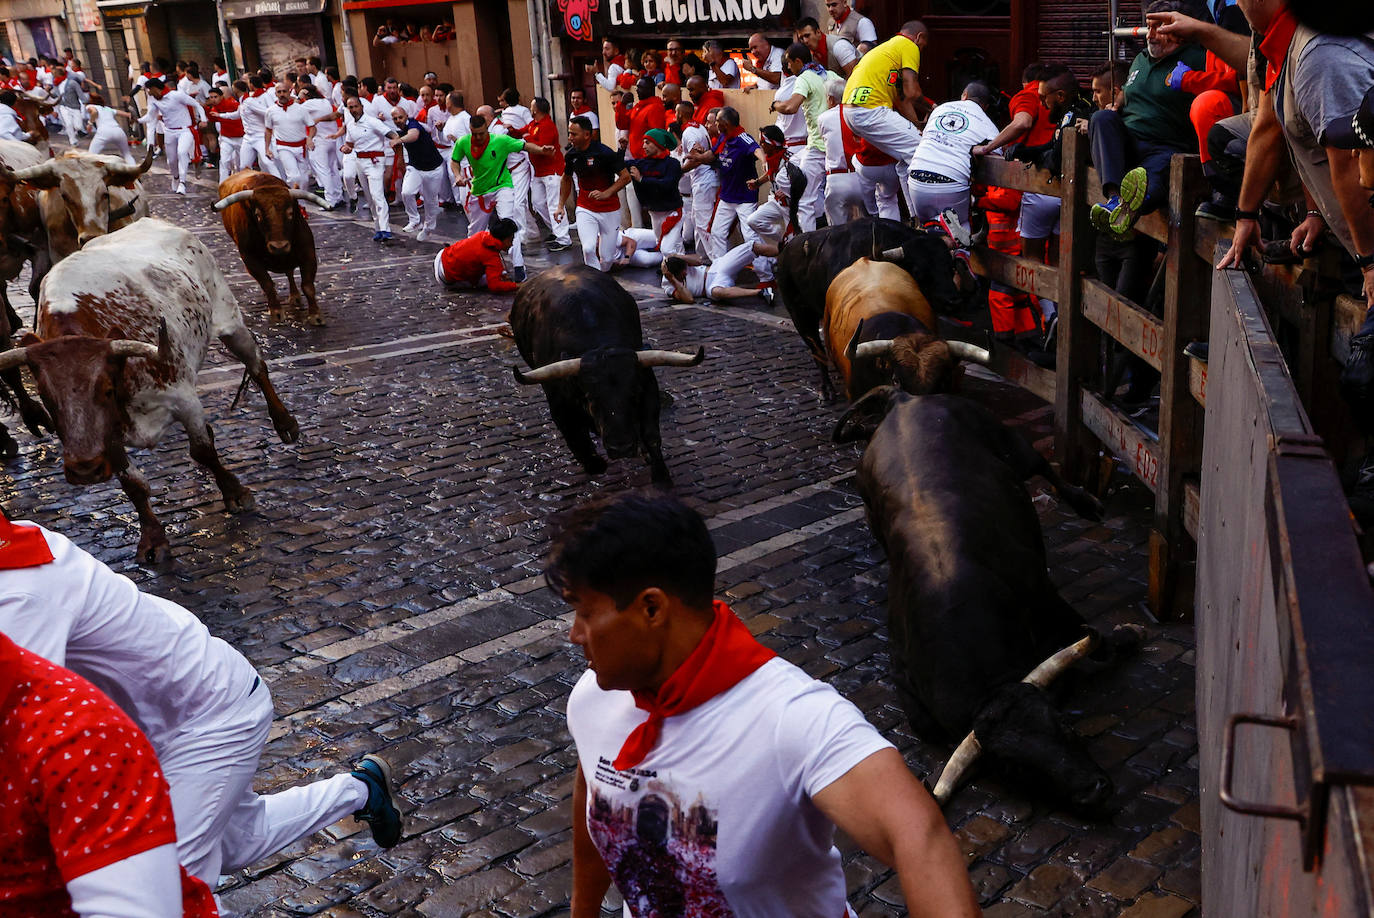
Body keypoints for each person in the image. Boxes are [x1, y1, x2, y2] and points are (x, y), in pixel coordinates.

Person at [552, 492, 981, 918]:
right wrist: (582, 911)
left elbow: (919, 837)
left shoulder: (793, 718)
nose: (575, 635)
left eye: (584, 613)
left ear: (651, 608)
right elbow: (596, 797)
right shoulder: (593, 697)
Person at [0, 515, 403, 890]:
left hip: (210, 714)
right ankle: (361, 790)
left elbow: (21, 732)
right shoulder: (18, 547)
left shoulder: (20, 595)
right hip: (166, 714)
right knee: (237, 845)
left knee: (168, 885)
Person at [0, 631, 218, 917]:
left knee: (207, 852)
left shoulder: (78, 737)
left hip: (209, 712)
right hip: (147, 729)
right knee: (239, 842)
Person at [1087, 1, 1205, 237]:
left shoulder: (1197, 58)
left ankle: (1129, 210)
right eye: (1148, 27)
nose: (1149, 35)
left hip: (1166, 146)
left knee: (1151, 183)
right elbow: (1130, 89)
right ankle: (1114, 199)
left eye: (1158, 28)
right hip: (1130, 140)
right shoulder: (1141, 58)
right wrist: (1116, 104)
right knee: (1101, 118)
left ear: (1178, 29)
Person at [841, 21, 932, 215]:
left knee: (907, 156)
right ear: (919, 37)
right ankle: (925, 216)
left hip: (851, 111)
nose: (921, 51)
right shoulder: (908, 45)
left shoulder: (888, 51)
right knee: (922, 152)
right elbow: (912, 92)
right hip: (871, 110)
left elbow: (902, 100)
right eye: (923, 46)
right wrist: (933, 108)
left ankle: (915, 217)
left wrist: (917, 126)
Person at [452, 112, 550, 280]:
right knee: (475, 232)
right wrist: (457, 176)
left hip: (502, 186)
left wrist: (541, 150)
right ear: (470, 130)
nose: (478, 137)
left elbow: (524, 146)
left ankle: (518, 267)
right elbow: (455, 160)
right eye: (475, 134)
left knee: (508, 224)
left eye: (481, 133)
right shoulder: (463, 142)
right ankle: (473, 265)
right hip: (480, 190)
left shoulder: (500, 140)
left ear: (487, 129)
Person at [908, 82, 999, 225]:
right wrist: (978, 149)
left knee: (926, 228)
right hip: (952, 183)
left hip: (917, 178)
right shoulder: (988, 125)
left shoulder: (940, 109)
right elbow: (997, 155)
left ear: (964, 95)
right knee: (960, 228)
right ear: (985, 107)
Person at [691, 105, 767, 259]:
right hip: (727, 196)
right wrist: (698, 157)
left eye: (717, 121)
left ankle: (764, 271)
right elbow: (712, 155)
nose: (715, 124)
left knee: (750, 236)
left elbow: (756, 149)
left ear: (725, 124)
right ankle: (720, 267)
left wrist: (765, 162)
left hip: (745, 197)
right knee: (717, 233)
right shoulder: (723, 138)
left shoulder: (743, 138)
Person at [557, 115, 632, 271]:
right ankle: (594, 279)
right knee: (588, 248)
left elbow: (626, 177)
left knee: (607, 258)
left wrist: (607, 193)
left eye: (574, 134)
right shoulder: (571, 155)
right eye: (569, 133)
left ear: (587, 135)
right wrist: (560, 206)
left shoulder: (605, 153)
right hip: (585, 208)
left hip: (610, 209)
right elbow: (566, 179)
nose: (570, 137)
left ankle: (600, 275)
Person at [770, 42, 829, 232]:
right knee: (831, 198)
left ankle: (808, 242)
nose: (787, 67)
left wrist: (775, 105)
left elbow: (789, 107)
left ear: (798, 61)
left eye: (789, 62)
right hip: (834, 144)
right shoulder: (829, 75)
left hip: (816, 146)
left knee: (805, 200)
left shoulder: (804, 77)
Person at [341, 93, 398, 240]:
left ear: (361, 107)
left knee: (377, 194)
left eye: (355, 106)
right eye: (350, 107)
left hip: (375, 162)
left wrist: (396, 143)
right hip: (360, 162)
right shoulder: (350, 125)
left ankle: (385, 228)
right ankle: (378, 228)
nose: (353, 110)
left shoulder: (373, 122)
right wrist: (346, 148)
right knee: (369, 197)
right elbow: (350, 144)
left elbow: (391, 134)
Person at [137, 77, 206, 194]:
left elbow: (197, 104)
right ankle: (176, 177)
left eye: (149, 90)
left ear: (155, 88)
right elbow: (150, 116)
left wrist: (203, 119)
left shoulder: (176, 95)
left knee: (182, 152)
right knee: (172, 161)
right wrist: (137, 120)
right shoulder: (154, 101)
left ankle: (182, 183)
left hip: (185, 130)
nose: (148, 93)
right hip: (169, 132)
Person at [391, 104, 446, 240]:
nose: (398, 120)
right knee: (407, 192)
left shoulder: (413, 124)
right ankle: (414, 220)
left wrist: (399, 140)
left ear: (406, 116)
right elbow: (398, 145)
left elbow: (414, 135)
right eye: (395, 119)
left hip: (434, 168)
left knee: (430, 201)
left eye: (400, 117)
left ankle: (428, 228)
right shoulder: (397, 130)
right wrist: (400, 159)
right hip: (415, 167)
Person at [628, 127, 685, 255]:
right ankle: (680, 265)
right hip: (654, 212)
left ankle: (681, 264)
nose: (643, 146)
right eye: (643, 142)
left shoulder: (672, 164)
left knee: (667, 248)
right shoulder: (642, 163)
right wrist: (621, 150)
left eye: (647, 142)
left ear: (658, 144)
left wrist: (642, 179)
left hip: (672, 212)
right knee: (666, 245)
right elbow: (617, 163)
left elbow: (667, 184)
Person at [526, 96, 572, 251]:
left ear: (536, 109)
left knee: (554, 204)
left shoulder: (547, 125)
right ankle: (555, 229)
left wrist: (526, 139)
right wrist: (511, 130)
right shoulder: (533, 124)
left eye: (531, 106)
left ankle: (563, 238)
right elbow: (522, 132)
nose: (530, 108)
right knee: (538, 203)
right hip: (539, 172)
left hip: (552, 171)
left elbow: (542, 147)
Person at [662, 242, 771, 304]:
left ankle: (780, 249)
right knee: (716, 292)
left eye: (685, 270)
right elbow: (689, 299)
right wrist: (673, 280)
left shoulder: (679, 263)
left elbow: (699, 260)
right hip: (711, 285)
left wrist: (677, 256)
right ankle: (761, 292)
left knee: (752, 247)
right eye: (682, 274)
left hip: (716, 268)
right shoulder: (669, 285)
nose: (686, 273)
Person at [819, 77, 864, 225]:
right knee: (870, 227)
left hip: (836, 179)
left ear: (831, 99)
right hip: (862, 177)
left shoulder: (823, 118)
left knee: (837, 232)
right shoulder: (860, 113)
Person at [677, 102, 719, 258]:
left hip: (703, 181)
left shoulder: (689, 132)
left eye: (676, 112)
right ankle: (704, 257)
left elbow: (696, 159)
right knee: (697, 220)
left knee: (703, 224)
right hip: (705, 180)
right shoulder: (699, 127)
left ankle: (716, 260)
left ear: (680, 114)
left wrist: (679, 171)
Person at [434, 215, 520, 290]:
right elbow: (495, 286)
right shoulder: (491, 257)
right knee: (488, 281)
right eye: (510, 240)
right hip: (445, 277)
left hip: (442, 256)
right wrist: (517, 286)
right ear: (504, 239)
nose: (511, 244)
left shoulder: (482, 235)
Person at [263, 80, 313, 189]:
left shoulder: (300, 109)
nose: (282, 94)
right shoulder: (270, 111)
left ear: (289, 92)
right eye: (279, 92)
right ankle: (294, 197)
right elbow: (268, 130)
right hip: (283, 147)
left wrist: (310, 138)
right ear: (275, 94)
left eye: (284, 91)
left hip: (301, 147)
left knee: (304, 179)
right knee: (294, 177)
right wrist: (267, 148)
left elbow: (312, 126)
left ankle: (301, 199)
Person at [300, 83, 343, 209]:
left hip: (319, 141)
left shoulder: (309, 103)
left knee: (323, 171)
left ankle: (330, 200)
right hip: (331, 139)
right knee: (333, 169)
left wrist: (298, 97)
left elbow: (294, 110)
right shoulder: (325, 102)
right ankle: (338, 196)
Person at [238, 74, 277, 177]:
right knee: (243, 166)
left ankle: (279, 182)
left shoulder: (264, 96)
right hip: (248, 136)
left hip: (261, 135)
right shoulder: (248, 98)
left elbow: (271, 111)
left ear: (251, 84)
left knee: (268, 162)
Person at [206, 85, 244, 182]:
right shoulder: (214, 108)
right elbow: (212, 117)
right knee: (224, 161)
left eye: (215, 97)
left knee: (241, 163)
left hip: (240, 137)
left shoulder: (233, 103)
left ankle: (241, 182)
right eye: (211, 97)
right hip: (226, 138)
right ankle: (223, 184)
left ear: (221, 96)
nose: (213, 100)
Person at [85, 90, 135, 163]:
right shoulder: (107, 108)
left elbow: (94, 112)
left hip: (104, 132)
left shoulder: (90, 106)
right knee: (127, 154)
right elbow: (128, 114)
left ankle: (90, 169)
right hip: (118, 131)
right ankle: (134, 168)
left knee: (91, 156)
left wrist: (90, 124)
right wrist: (133, 118)